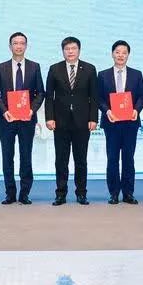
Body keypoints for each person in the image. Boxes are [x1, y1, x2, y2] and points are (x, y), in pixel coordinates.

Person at [0, 32, 45, 205]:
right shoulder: (1, 67)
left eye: (22, 43)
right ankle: (10, 193)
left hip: (27, 119)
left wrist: (32, 110)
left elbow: (40, 92)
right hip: (6, 119)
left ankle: (25, 193)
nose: (19, 46)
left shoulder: (34, 67)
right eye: (15, 43)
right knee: (7, 157)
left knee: (26, 156)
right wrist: (4, 111)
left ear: (26, 46)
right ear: (10, 46)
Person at [45, 36, 98, 205]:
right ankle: (60, 194)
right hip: (60, 122)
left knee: (80, 160)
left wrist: (93, 118)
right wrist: (49, 118)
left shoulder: (89, 69)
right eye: (67, 49)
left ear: (79, 50)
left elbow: (94, 97)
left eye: (73, 48)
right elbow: (49, 96)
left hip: (82, 122)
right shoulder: (55, 69)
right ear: (63, 51)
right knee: (61, 160)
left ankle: (81, 193)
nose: (70, 52)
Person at [97, 40, 143, 205]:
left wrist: (136, 110)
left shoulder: (136, 74)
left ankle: (128, 193)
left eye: (124, 53)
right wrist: (107, 111)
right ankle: (113, 193)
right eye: (117, 52)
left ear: (128, 55)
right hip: (111, 122)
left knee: (128, 159)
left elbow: (142, 96)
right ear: (112, 54)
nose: (120, 55)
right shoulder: (103, 75)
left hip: (130, 123)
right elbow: (98, 98)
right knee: (112, 159)